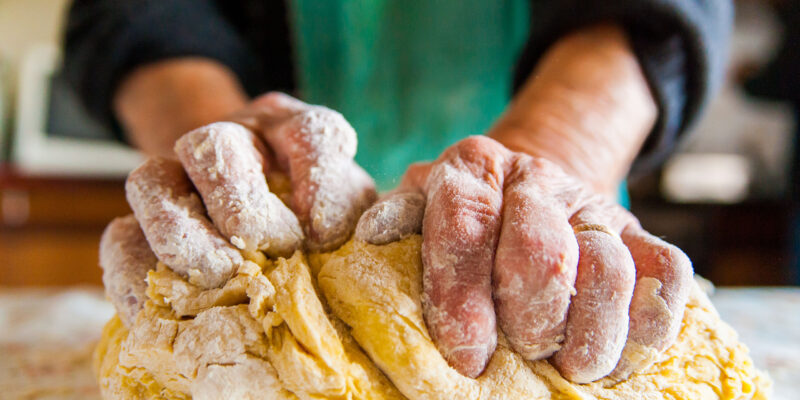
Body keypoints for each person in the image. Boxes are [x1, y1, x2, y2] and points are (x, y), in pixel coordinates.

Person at [64, 0, 732, 382]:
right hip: (271, 217)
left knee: (560, 308)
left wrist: (550, 153)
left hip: (561, 241)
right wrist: (224, 161)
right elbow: (135, 10)